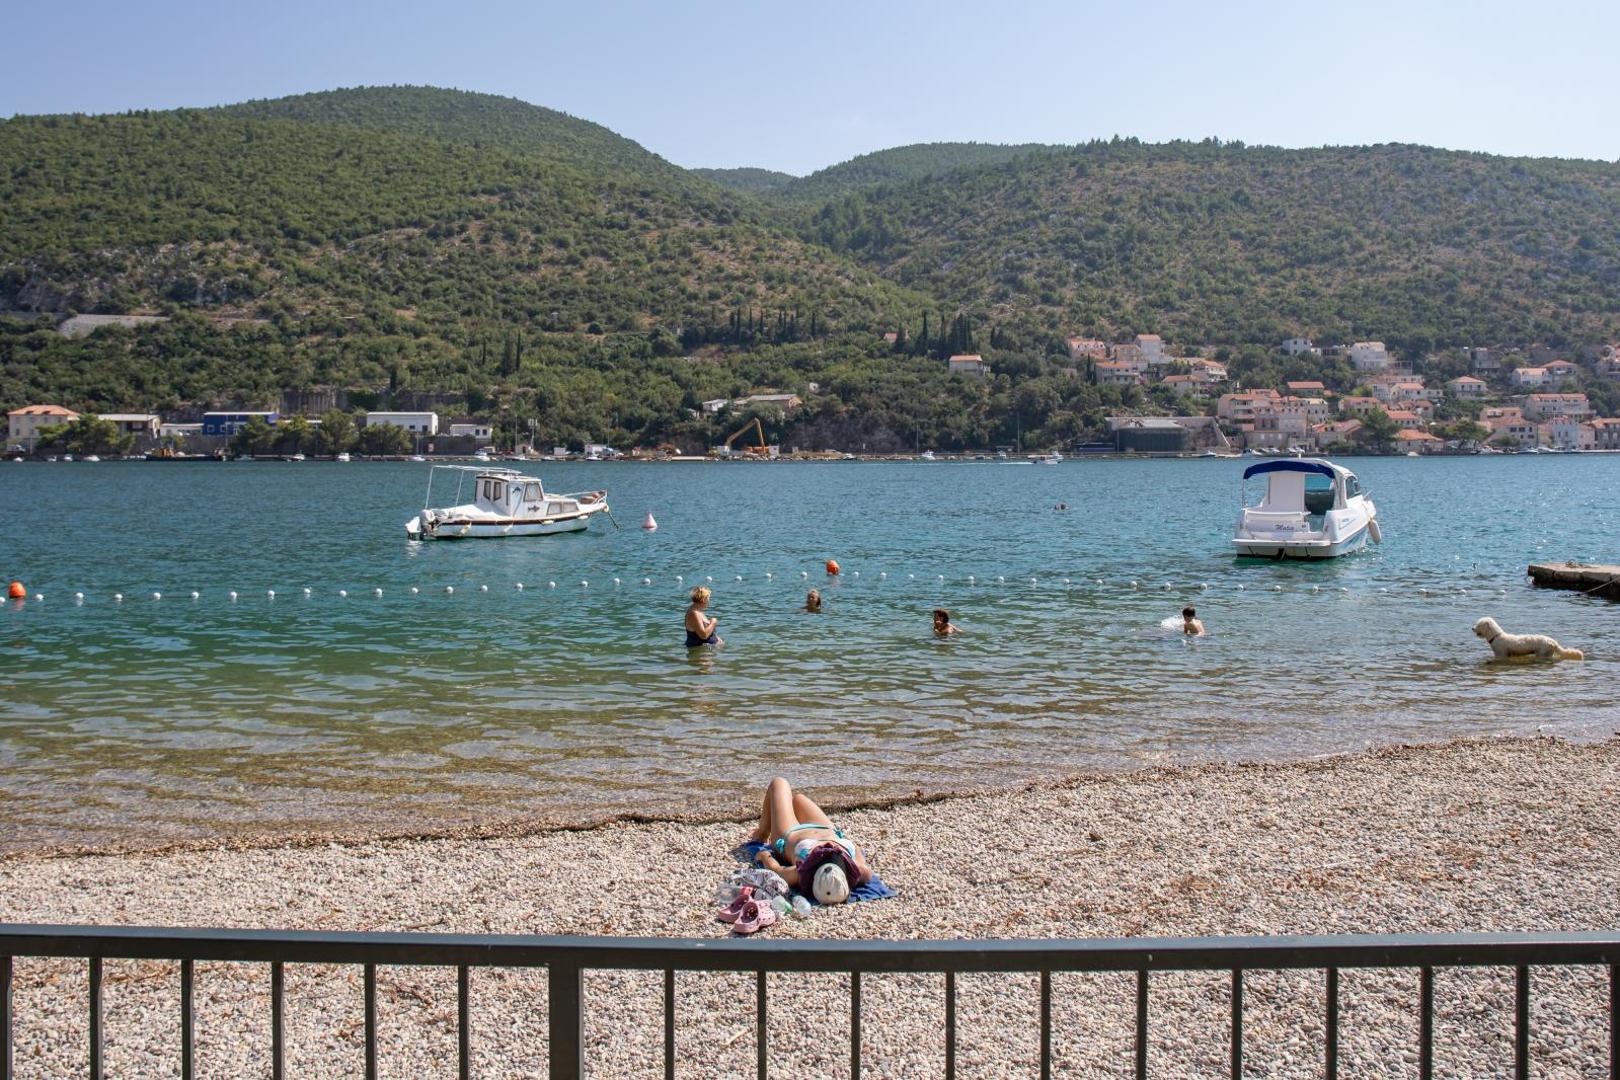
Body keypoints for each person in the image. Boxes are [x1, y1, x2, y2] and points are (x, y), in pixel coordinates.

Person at [748, 778, 872, 904]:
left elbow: (777, 870)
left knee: (779, 783)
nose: (829, 853)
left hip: (790, 833)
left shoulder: (801, 872)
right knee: (798, 799)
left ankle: (762, 833)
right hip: (823, 827)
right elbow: (856, 848)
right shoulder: (861, 871)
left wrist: (764, 856)